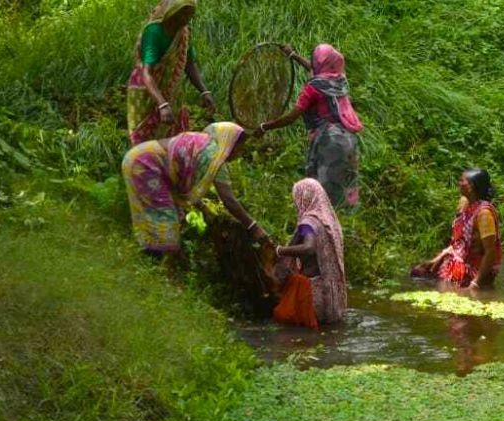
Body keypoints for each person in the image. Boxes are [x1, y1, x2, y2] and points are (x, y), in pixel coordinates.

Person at [122, 122, 268, 255]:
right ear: (231, 142)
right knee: (165, 221)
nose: (239, 154)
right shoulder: (214, 156)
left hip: (139, 157)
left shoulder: (202, 144)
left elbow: (183, 176)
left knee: (167, 217)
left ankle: (151, 261)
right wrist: (253, 226)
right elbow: (229, 200)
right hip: (145, 165)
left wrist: (203, 208)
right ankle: (159, 268)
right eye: (239, 148)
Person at [257, 44, 364, 213]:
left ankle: (321, 223)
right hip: (348, 138)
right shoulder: (339, 79)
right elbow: (315, 69)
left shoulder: (313, 89)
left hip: (328, 141)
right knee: (344, 182)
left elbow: (292, 116)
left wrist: (265, 127)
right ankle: (345, 222)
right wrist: (294, 55)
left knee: (322, 189)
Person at [126, 0, 216, 145]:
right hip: (147, 91)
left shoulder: (183, 32)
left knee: (174, 141)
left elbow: (189, 64)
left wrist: (204, 91)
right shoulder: (154, 32)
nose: (186, 18)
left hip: (171, 91)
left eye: (189, 13)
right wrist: (162, 104)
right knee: (145, 141)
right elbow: (146, 73)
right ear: (172, 11)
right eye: (182, 12)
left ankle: (170, 166)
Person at [272, 179, 348, 329]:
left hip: (311, 291)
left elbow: (308, 248)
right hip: (330, 292)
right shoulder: (329, 222)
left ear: (303, 197)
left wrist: (280, 250)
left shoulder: (307, 224)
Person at [411, 169, 503, 289]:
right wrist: (433, 262)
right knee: (417, 273)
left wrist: (475, 284)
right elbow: (458, 243)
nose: (459, 183)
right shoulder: (465, 203)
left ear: (471, 187)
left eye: (462, 180)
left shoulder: (484, 214)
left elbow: (490, 252)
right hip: (456, 264)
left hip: (472, 272)